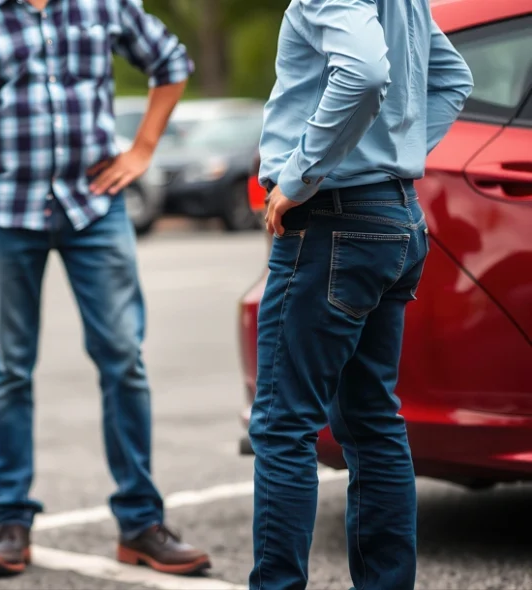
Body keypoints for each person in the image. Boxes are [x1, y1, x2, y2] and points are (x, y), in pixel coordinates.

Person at [0, 0, 211, 578]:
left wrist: (144, 149)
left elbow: (171, 61)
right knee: (11, 369)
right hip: (6, 208)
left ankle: (140, 523)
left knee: (123, 358)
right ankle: (9, 523)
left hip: (95, 206)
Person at [251, 0, 472, 588]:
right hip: (395, 216)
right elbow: (453, 79)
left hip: (334, 222)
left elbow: (366, 72)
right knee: (373, 419)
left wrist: (302, 174)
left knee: (283, 425)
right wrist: (390, 157)